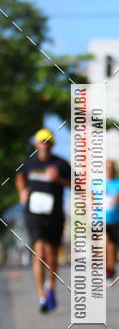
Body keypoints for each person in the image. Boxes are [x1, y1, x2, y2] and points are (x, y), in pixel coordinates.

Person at [15, 128, 71, 312]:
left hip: (54, 214)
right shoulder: (29, 163)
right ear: (36, 144)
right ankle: (41, 296)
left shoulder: (61, 164)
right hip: (34, 213)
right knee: (39, 251)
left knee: (52, 255)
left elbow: (75, 184)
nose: (44, 145)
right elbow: (20, 177)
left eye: (48, 141)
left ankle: (51, 287)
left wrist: (59, 180)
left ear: (53, 144)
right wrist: (22, 191)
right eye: (41, 141)